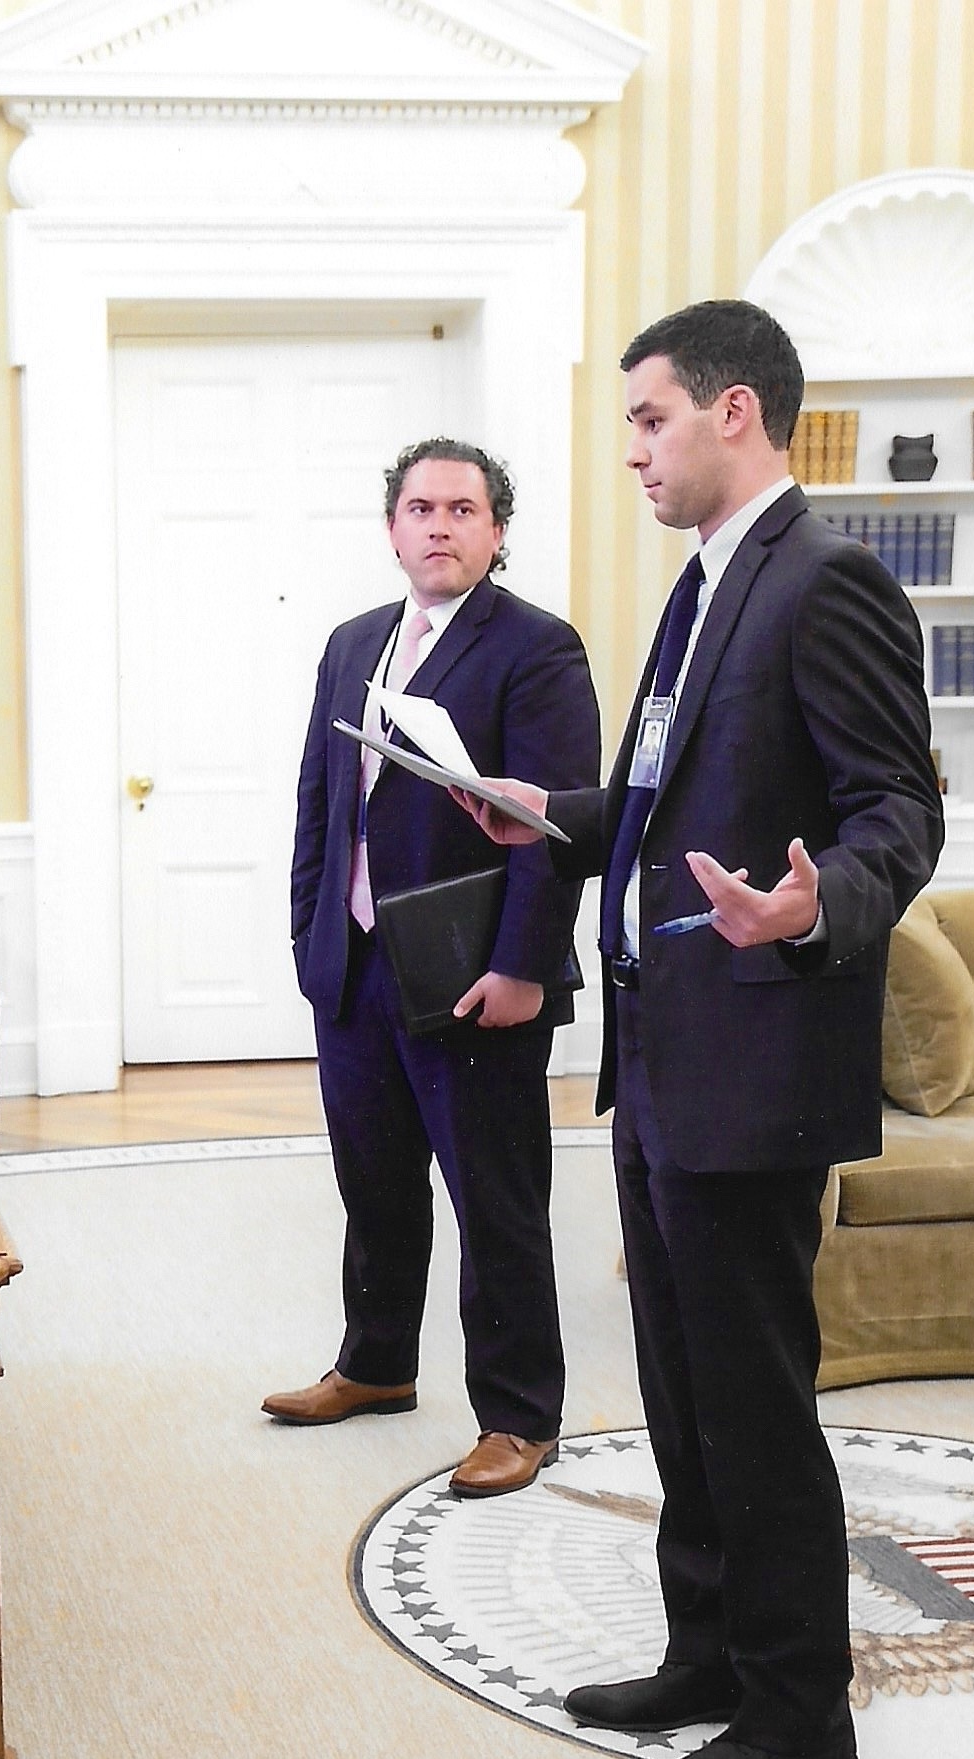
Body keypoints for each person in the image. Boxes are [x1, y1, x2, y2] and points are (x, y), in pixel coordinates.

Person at [460, 301, 941, 1759]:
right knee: (679, 1385)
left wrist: (818, 904)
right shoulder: (699, 589)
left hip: (757, 1059)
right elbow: (660, 800)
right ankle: (711, 1655)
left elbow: (897, 817)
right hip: (663, 1057)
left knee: (752, 1398)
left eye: (650, 421)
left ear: (737, 412)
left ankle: (804, 1716)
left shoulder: (829, 582)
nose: (634, 453)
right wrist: (548, 808)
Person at [265, 439, 601, 1501]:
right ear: (393, 527)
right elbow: (325, 803)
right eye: (420, 507)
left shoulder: (539, 649)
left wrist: (524, 968)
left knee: (495, 1198)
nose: (439, 525)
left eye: (463, 508)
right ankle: (375, 1364)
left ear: (498, 531)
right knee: (371, 1180)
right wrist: (310, 935)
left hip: (471, 974)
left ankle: (518, 1414)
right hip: (355, 966)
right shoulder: (351, 642)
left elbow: (555, 823)